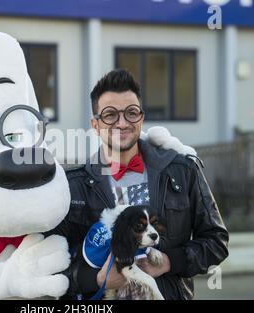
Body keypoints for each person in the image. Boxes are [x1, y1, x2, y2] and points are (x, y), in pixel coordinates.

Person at [45, 69, 229, 300]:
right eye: (110, 114)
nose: (122, 123)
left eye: (131, 113)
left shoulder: (182, 170)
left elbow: (216, 241)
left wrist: (168, 262)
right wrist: (97, 279)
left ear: (141, 118)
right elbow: (50, 265)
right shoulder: (72, 185)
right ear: (95, 124)